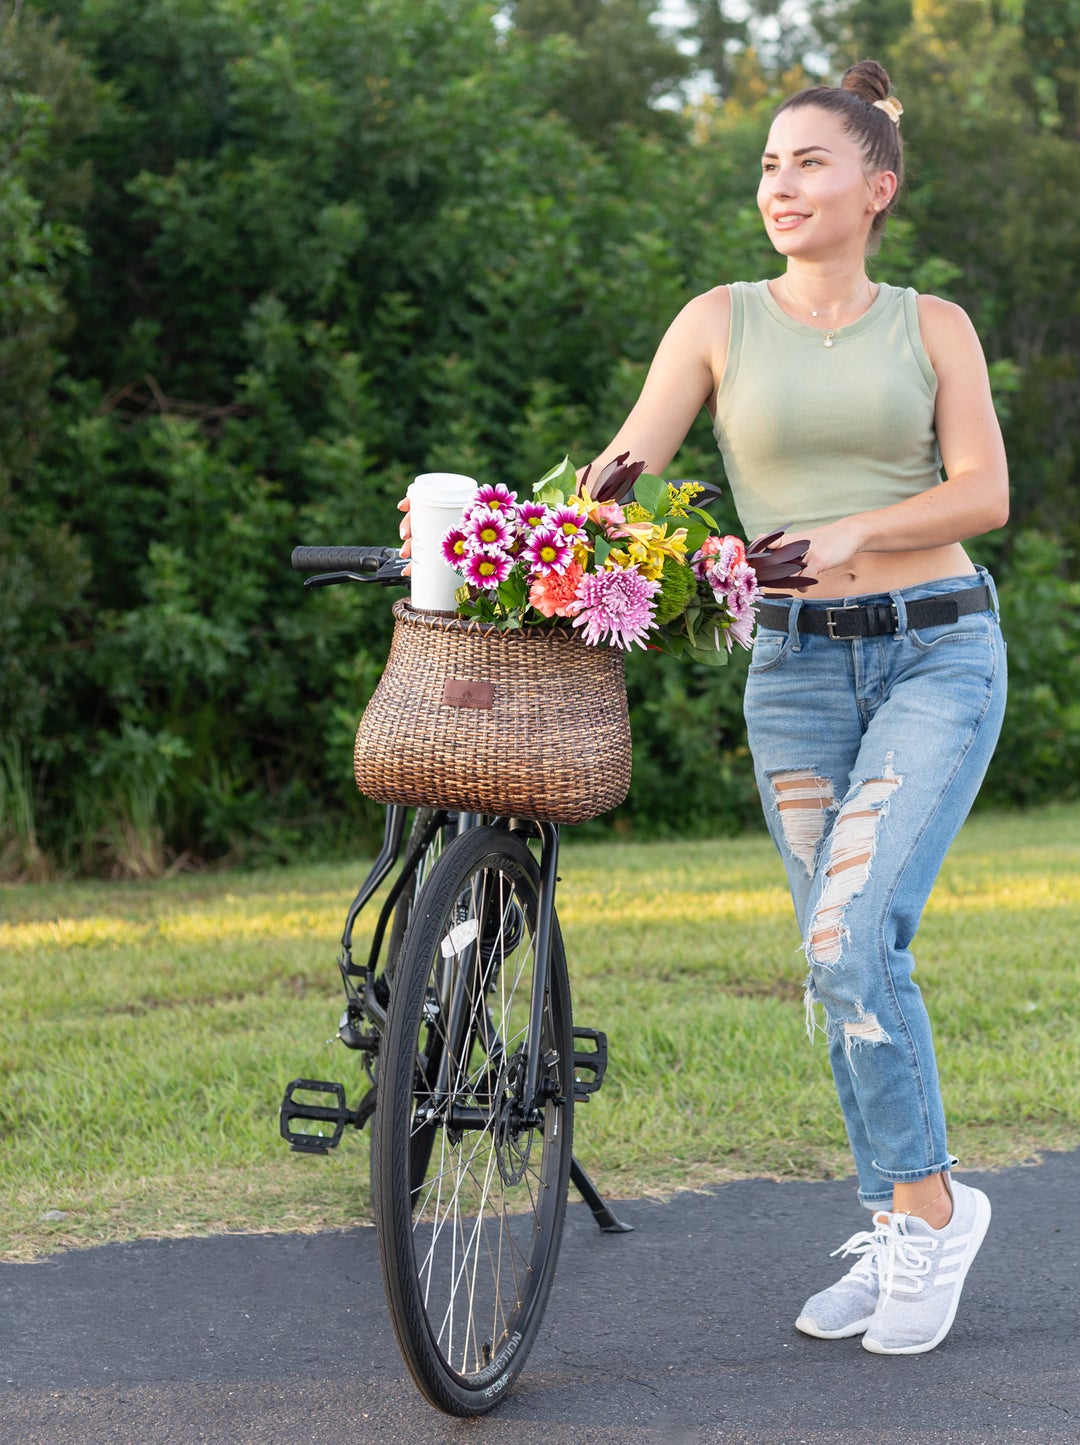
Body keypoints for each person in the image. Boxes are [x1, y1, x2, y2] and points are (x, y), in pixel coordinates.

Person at [401, 58, 1008, 1356]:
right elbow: (618, 476)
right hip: (792, 671)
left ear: (876, 187)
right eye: (767, 166)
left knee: (853, 942)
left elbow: (980, 495)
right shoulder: (718, 321)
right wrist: (493, 529)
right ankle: (901, 1211)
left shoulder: (932, 325)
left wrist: (846, 535)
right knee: (835, 957)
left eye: (809, 164)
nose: (779, 185)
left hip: (934, 654)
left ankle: (932, 1211)